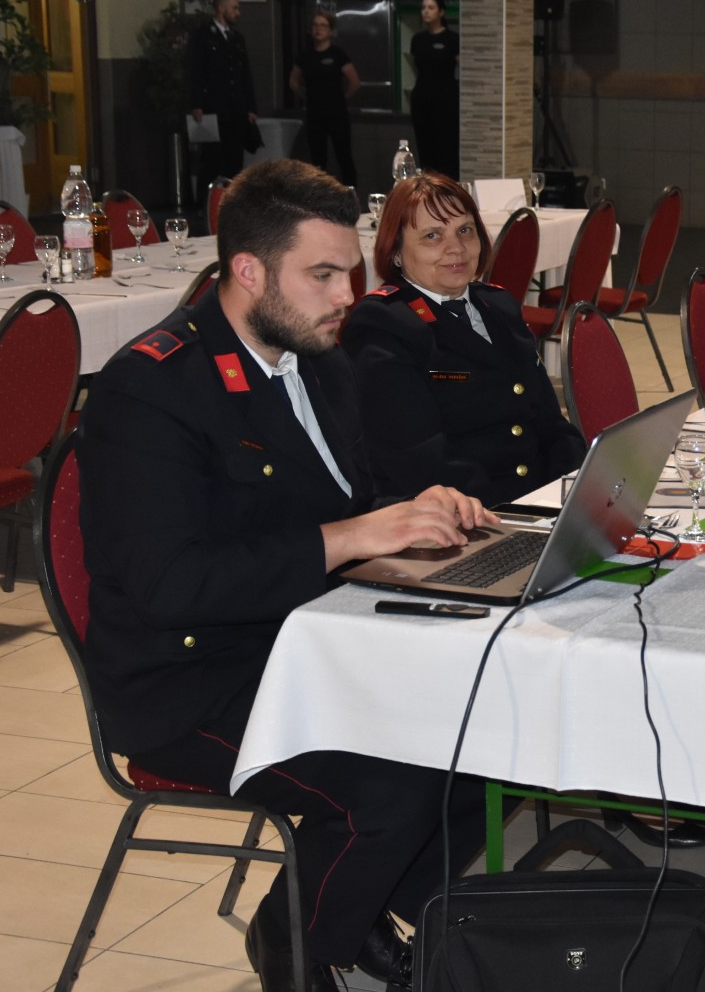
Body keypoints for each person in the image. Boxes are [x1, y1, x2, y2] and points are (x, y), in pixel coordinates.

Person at [78, 159, 497, 992]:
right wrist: (348, 537)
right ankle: (292, 941)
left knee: (493, 734)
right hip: (190, 682)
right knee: (393, 789)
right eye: (324, 275)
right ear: (248, 270)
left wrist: (415, 510)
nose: (348, 296)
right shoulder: (152, 389)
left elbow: (344, 499)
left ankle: (352, 908)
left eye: (352, 273)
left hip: (309, 643)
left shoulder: (316, 360)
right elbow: (171, 587)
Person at [342, 171, 586, 506]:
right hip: (466, 513)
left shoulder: (498, 306)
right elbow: (418, 459)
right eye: (432, 236)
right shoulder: (384, 324)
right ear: (396, 252)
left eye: (465, 231)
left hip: (538, 500)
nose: (455, 248)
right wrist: (518, 512)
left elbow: (549, 422)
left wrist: (577, 485)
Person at [186, 0, 260, 184]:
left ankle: (231, 197)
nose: (238, 13)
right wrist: (196, 103)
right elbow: (195, 71)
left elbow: (244, 73)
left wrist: (251, 107)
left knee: (234, 159)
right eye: (234, 8)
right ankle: (206, 199)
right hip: (214, 106)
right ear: (221, 8)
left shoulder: (237, 38)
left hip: (236, 108)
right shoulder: (202, 36)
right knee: (212, 159)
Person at [288, 9, 360, 187]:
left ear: (330, 30)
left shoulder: (338, 55)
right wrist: (307, 96)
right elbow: (294, 82)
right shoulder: (305, 56)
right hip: (315, 112)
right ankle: (319, 194)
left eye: (323, 25)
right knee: (317, 158)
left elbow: (354, 82)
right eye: (315, 25)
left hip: (337, 112)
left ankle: (351, 191)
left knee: (343, 155)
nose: (318, 29)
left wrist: (341, 98)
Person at [407, 0, 460, 179]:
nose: (426, 11)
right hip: (422, 97)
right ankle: (427, 185)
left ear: (441, 12)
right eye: (423, 8)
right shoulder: (418, 39)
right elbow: (416, 66)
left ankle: (448, 186)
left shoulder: (452, 39)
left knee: (446, 148)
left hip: (446, 99)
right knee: (425, 147)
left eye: (431, 7)